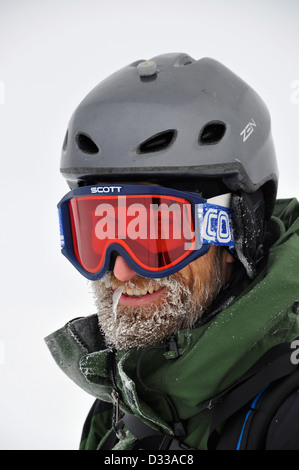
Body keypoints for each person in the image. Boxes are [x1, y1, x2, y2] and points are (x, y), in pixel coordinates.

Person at [46, 53, 299, 450]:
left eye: (157, 235)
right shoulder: (125, 402)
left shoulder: (288, 415)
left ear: (239, 232)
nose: (123, 273)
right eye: (100, 231)